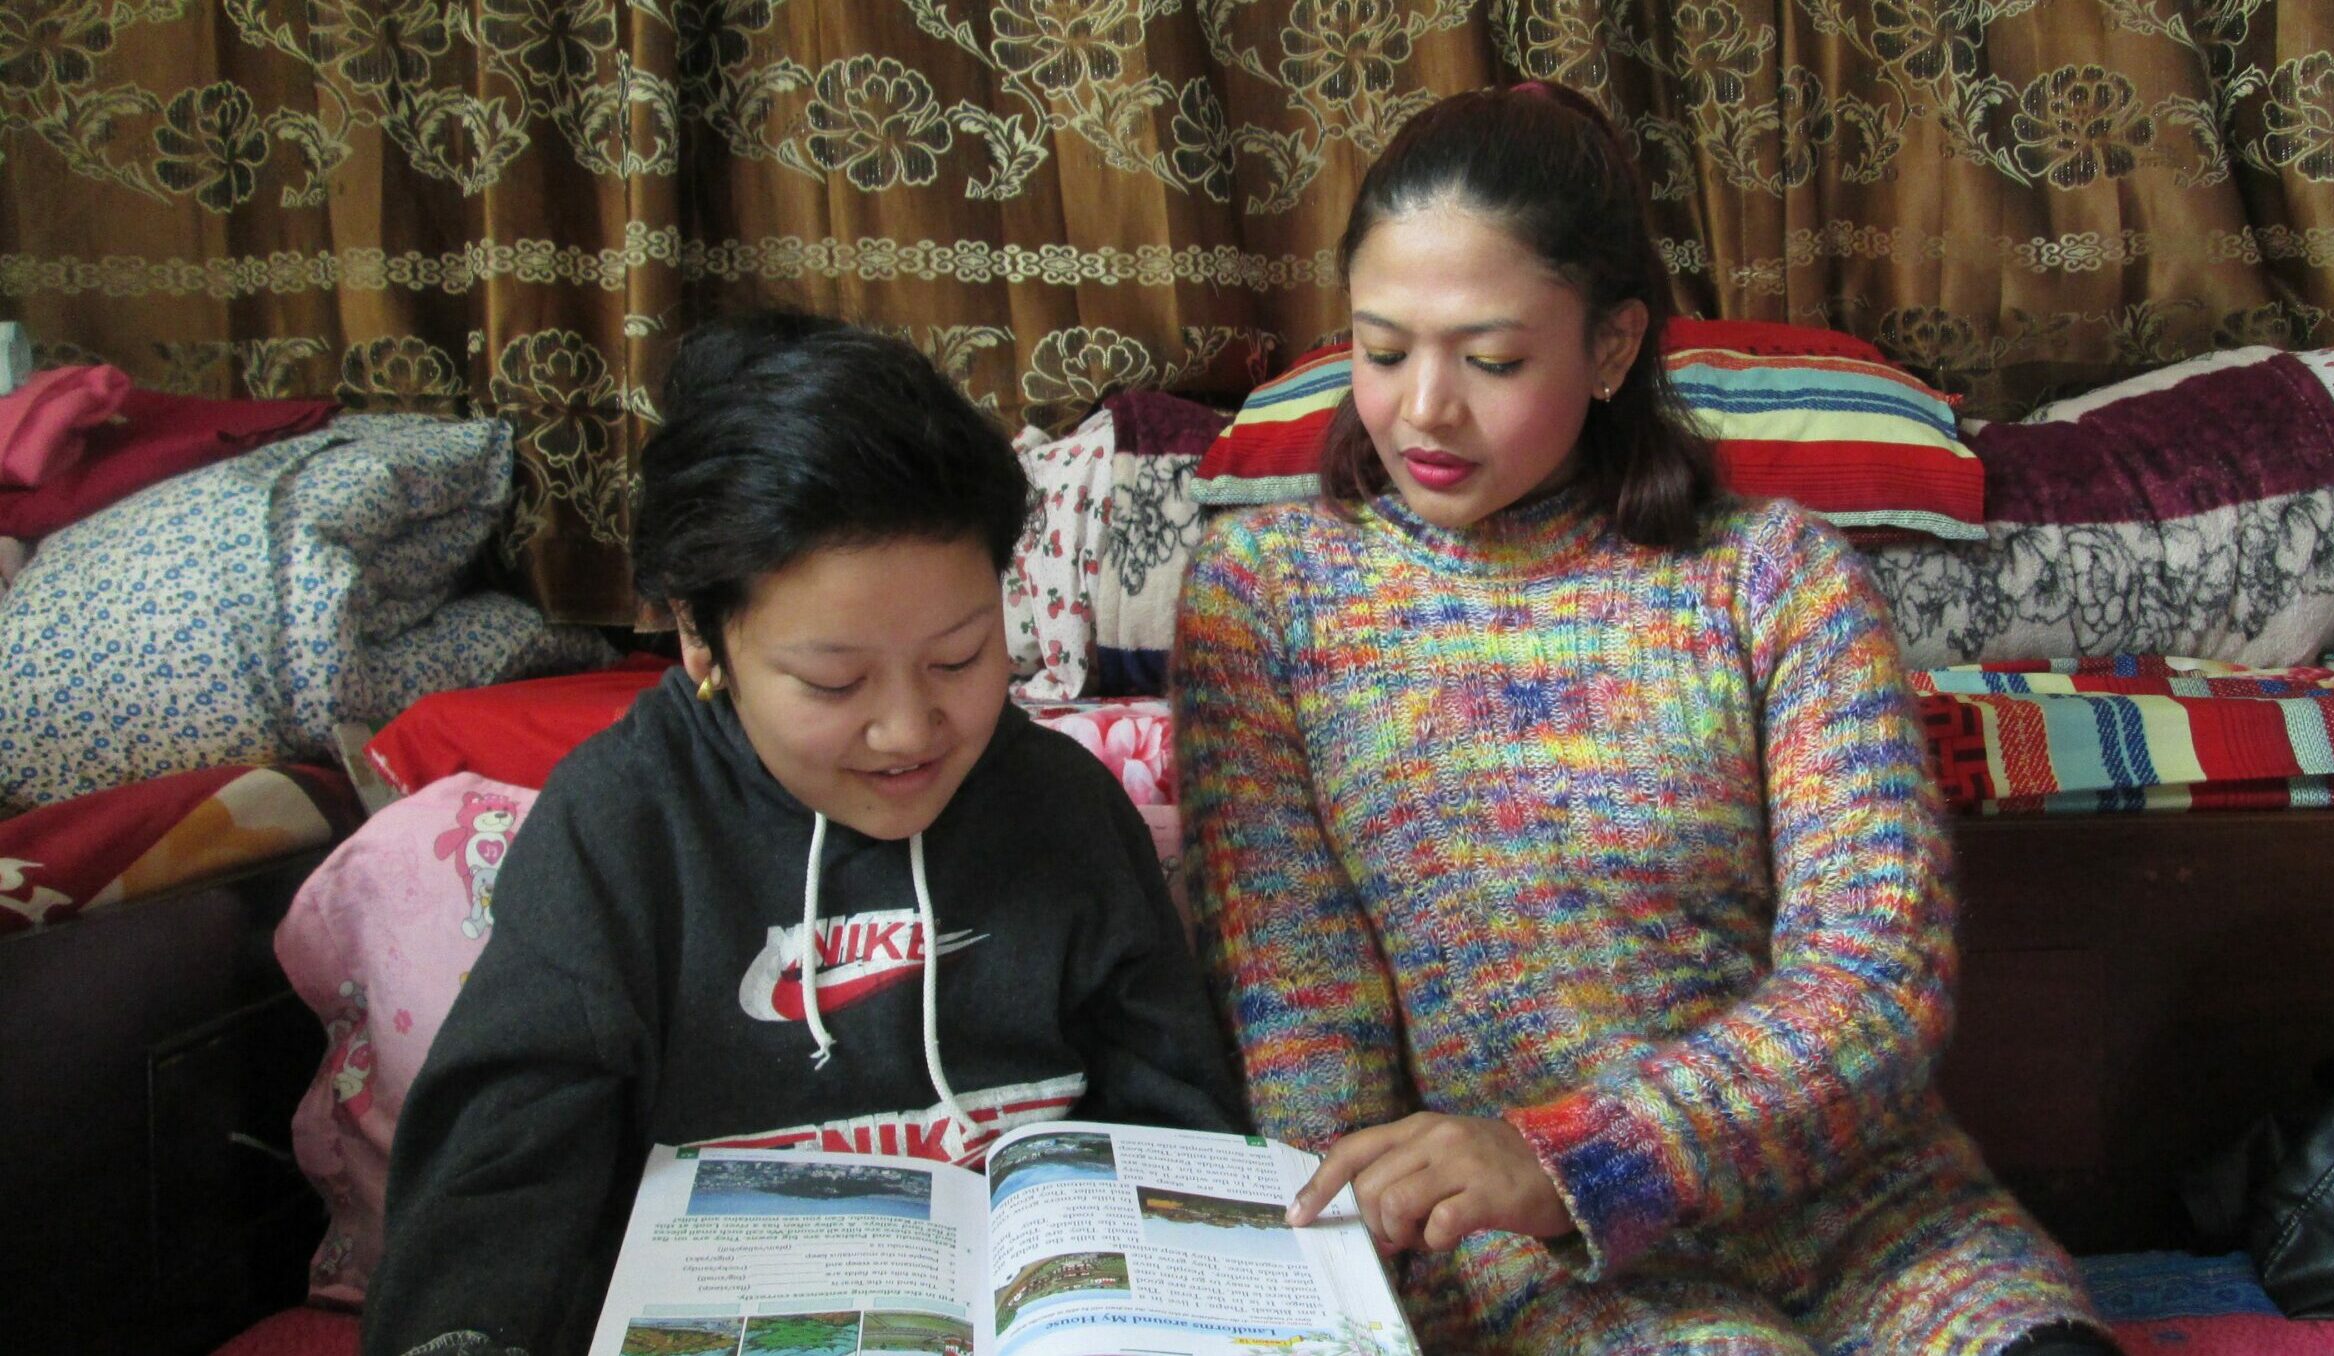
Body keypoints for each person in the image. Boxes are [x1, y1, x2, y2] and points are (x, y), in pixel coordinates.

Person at [1174, 84, 2117, 1355]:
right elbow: (1307, 1030)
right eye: (1383, 349)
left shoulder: (1776, 575)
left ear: (1612, 349)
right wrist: (1372, 1283)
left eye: (1490, 358)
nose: (1422, 411)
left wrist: (1576, 1156)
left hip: (1865, 1208)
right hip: (1528, 1258)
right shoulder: (1264, 600)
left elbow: (1875, 984)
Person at [366, 315, 1246, 1356]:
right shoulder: (624, 824)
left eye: (961, 658)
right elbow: (503, 1162)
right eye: (834, 682)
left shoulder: (1061, 810)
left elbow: (1177, 1125)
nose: (910, 730)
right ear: (701, 633)